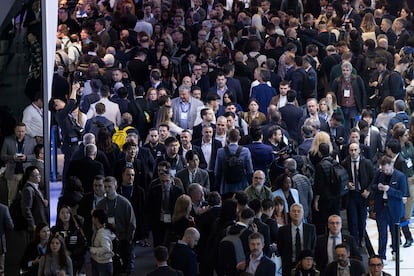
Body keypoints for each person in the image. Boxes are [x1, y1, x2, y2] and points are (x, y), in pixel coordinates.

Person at [96, 176, 136, 274]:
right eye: (105, 187)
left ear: (116, 186)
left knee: (123, 268)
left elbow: (131, 224)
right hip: (106, 240)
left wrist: (127, 240)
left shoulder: (124, 203)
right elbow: (96, 222)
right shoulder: (101, 204)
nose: (107, 189)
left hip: (122, 240)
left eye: (109, 187)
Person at [371, 156, 407, 263]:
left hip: (394, 209)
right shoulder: (379, 173)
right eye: (383, 170)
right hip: (381, 207)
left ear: (392, 165)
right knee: (382, 233)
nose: (385, 172)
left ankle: (395, 252)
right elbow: (372, 186)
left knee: (395, 232)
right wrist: (378, 187)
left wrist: (389, 189)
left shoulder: (400, 176)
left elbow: (402, 193)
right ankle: (382, 255)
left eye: (386, 169)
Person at [341, 142, 374, 246]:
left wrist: (368, 190)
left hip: (362, 194)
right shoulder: (345, 163)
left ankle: (362, 237)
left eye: (355, 150)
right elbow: (341, 178)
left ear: (359, 150)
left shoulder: (367, 163)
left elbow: (373, 179)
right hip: (351, 195)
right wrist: (347, 184)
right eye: (351, 150)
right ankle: (354, 241)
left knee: (362, 219)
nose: (353, 152)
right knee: (353, 219)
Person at [1, 122, 36, 205]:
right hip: (12, 174)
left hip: (26, 174)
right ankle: (11, 216)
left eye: (23, 131)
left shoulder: (31, 141)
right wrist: (12, 157)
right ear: (15, 131)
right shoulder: (8, 140)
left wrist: (26, 157)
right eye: (18, 131)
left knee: (27, 198)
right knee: (11, 198)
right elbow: (2, 156)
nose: (21, 133)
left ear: (25, 131)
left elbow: (36, 156)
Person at [276, 203, 317, 276]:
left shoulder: (310, 229)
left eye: (299, 211)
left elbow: (313, 246)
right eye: (294, 211)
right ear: (290, 213)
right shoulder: (282, 230)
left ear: (303, 213)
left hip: (306, 266)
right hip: (288, 266)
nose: (296, 213)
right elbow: (280, 248)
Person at [214, 128, 254, 194]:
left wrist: (217, 186)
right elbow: (250, 171)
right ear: (239, 138)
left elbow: (217, 172)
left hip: (225, 188)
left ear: (228, 138)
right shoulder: (246, 151)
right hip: (242, 187)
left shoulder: (220, 151)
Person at [51, 205, 87, 274]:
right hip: (59, 261)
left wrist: (72, 252)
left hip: (75, 260)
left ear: (70, 215)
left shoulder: (76, 230)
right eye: (62, 213)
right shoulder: (54, 230)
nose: (65, 215)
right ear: (59, 215)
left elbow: (83, 245)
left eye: (67, 213)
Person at [21, 166, 49, 233]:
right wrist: (32, 225)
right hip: (36, 225)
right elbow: (26, 209)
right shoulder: (28, 190)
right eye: (37, 175)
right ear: (30, 177)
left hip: (41, 223)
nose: (40, 176)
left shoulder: (35, 187)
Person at [90, 209, 117, 276]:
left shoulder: (102, 233)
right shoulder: (100, 230)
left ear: (96, 219)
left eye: (93, 217)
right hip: (98, 261)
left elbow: (106, 248)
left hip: (103, 264)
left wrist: (92, 249)